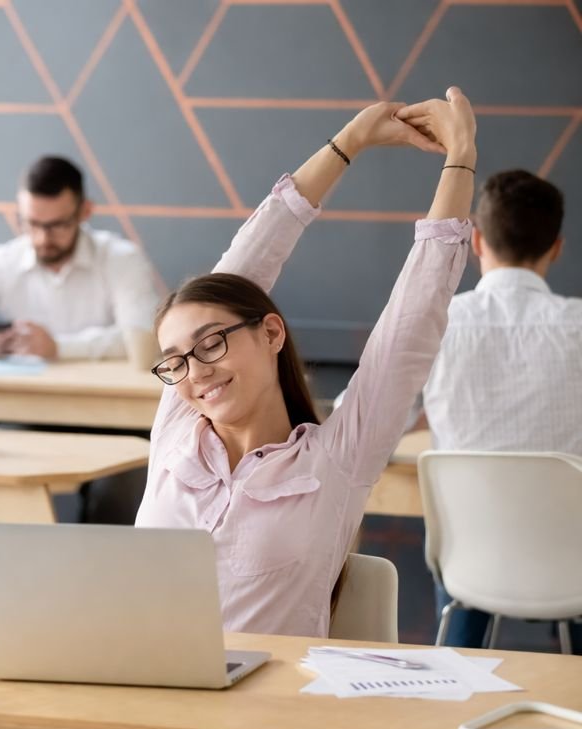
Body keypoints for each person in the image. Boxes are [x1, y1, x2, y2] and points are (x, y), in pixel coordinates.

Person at [135, 87, 477, 637]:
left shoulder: (337, 460)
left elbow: (410, 326)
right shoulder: (176, 430)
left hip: (271, 711)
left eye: (211, 343)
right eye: (175, 361)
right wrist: (352, 138)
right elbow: (243, 263)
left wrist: (459, 158)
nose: (194, 372)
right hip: (142, 689)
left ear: (271, 332)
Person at [421, 169, 582, 650]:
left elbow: (361, 416)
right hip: (576, 567)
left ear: (476, 241)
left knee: (464, 565)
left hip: (469, 572)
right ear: (557, 246)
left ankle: (456, 676)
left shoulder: (435, 325)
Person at [0, 155, 161, 361]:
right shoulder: (0, 262)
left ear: (85, 211)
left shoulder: (122, 259)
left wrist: (58, 347)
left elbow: (143, 338)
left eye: (57, 225)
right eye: (32, 224)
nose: (42, 238)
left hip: (99, 390)